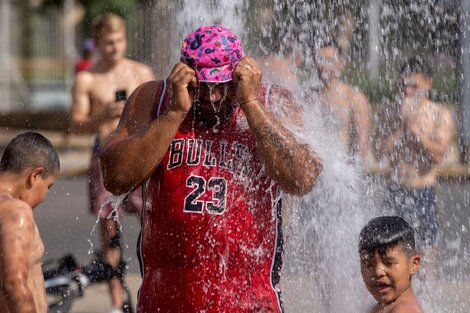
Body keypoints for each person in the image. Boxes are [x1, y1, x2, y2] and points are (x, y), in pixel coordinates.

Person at [100, 25, 323, 312]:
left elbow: (302, 179)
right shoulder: (155, 99)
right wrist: (174, 113)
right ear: (184, 75)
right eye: (202, 86)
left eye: (223, 85)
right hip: (165, 301)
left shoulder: (272, 101)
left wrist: (251, 104)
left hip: (250, 302)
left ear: (241, 75)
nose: (213, 97)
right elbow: (116, 178)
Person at [69, 13, 155, 313]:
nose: (114, 47)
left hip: (139, 153)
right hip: (106, 154)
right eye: (108, 42)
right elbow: (76, 124)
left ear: (125, 40)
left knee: (152, 221)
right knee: (109, 229)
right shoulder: (88, 78)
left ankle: (154, 286)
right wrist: (102, 114)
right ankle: (118, 302)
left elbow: (159, 112)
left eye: (119, 41)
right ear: (97, 43)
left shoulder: (140, 72)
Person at [373, 56, 455, 259]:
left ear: (428, 83)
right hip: (394, 191)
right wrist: (400, 127)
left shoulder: (438, 114)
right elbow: (377, 153)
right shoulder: (389, 112)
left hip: (422, 191)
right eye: (403, 85)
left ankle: (426, 293)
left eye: (413, 86)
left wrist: (414, 129)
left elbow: (436, 155)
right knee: (390, 257)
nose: (407, 91)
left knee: (425, 259)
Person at [0, 132, 60, 313]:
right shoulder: (16, 211)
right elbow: (13, 283)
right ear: (35, 175)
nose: (44, 197)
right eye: (48, 187)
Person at [315, 41, 371, 164]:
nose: (323, 66)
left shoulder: (354, 98)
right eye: (320, 59)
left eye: (328, 61)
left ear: (341, 63)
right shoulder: (311, 97)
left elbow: (362, 146)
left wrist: (351, 174)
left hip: (340, 171)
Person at [359, 216, 423, 313]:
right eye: (369, 265)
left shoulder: (404, 311)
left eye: (389, 263)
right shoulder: (384, 307)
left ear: (414, 264)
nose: (378, 272)